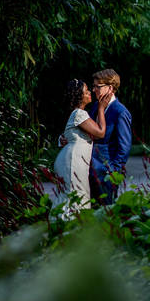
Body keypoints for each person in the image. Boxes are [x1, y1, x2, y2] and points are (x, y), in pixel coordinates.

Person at [53, 79, 111, 214]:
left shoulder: (79, 115)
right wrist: (101, 108)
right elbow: (100, 133)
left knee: (74, 195)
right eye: (86, 91)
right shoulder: (79, 114)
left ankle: (65, 226)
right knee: (75, 195)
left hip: (75, 159)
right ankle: (69, 227)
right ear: (80, 96)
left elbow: (92, 134)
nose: (90, 92)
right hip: (73, 161)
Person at [86, 68, 132, 205]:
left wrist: (112, 171)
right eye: (93, 86)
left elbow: (124, 147)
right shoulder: (95, 106)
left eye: (97, 87)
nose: (93, 90)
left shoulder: (120, 112)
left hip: (106, 174)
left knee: (106, 213)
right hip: (90, 171)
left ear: (110, 88)